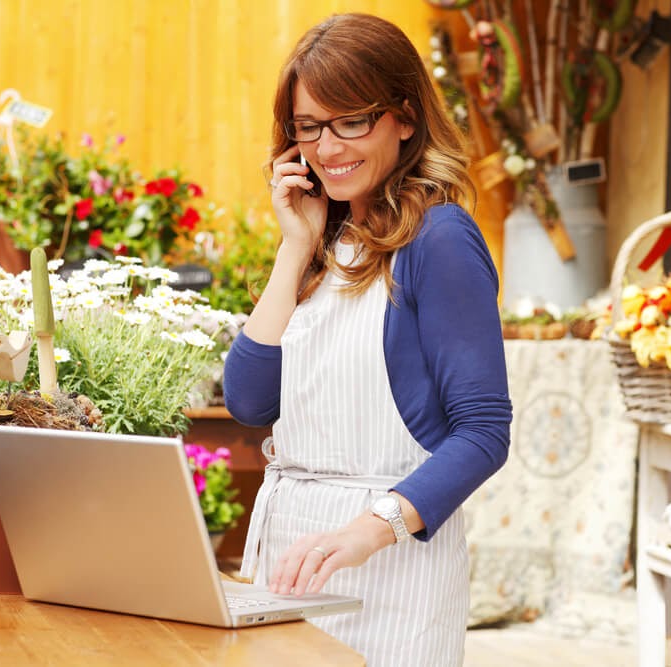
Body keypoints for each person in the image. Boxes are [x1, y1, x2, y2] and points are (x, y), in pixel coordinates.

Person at [222, 13, 511, 667]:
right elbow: (246, 400)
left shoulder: (439, 240)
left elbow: (485, 431)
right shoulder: (319, 243)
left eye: (351, 120)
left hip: (392, 563)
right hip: (292, 557)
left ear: (404, 118)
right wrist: (294, 248)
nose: (328, 148)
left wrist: (367, 530)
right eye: (309, 127)